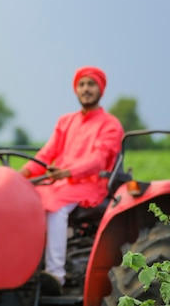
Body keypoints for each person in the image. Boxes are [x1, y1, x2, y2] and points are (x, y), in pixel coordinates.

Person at [19, 66, 123, 295]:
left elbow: (98, 159)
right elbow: (46, 154)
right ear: (75, 89)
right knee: (25, 200)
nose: (86, 89)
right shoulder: (65, 122)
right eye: (82, 85)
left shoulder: (110, 124)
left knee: (55, 206)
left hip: (89, 185)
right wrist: (21, 175)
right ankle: (24, 266)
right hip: (60, 184)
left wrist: (68, 172)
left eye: (91, 84)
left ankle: (56, 274)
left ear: (101, 89)